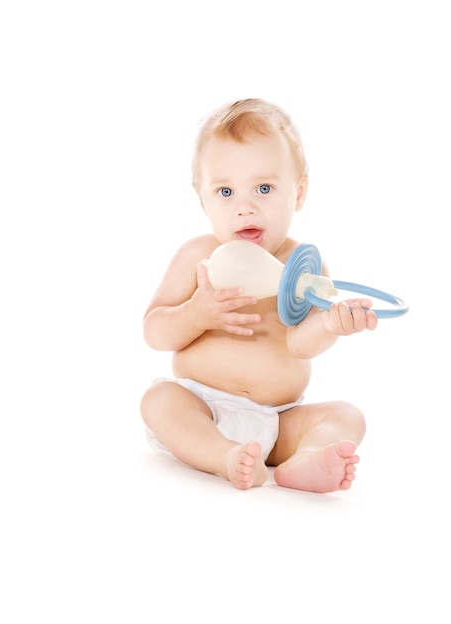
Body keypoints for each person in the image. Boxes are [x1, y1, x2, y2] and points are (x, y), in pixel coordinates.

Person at [140, 98, 378, 493]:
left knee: (348, 416)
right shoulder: (198, 257)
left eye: (264, 188)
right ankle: (222, 456)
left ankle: (304, 459)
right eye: (226, 191)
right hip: (202, 407)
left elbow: (301, 345)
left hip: (277, 418)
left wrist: (330, 325)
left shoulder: (304, 268)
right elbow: (153, 331)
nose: (245, 207)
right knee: (159, 400)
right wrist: (195, 316)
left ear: (299, 193)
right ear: (203, 198)